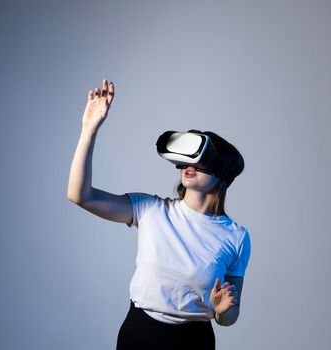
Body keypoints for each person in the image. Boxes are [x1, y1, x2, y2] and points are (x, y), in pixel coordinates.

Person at [67, 78, 251, 350]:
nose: (191, 165)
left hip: (193, 340)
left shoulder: (236, 236)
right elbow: (80, 195)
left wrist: (223, 310)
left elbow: (229, 317)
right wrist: (89, 129)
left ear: (222, 172)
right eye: (187, 159)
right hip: (139, 334)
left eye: (201, 160)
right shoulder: (150, 209)